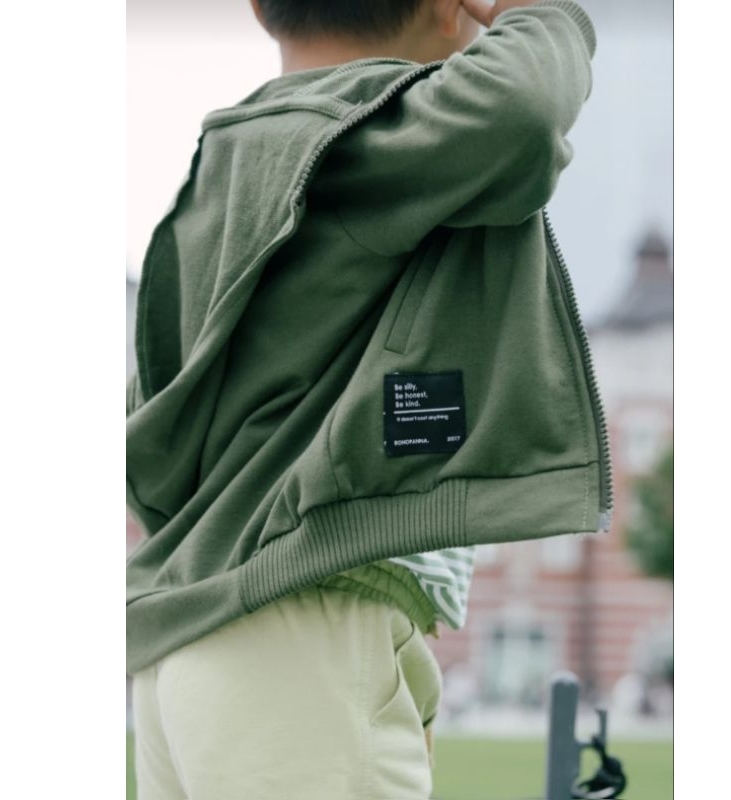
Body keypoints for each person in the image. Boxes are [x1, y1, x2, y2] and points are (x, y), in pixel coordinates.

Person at [126, 0, 610, 797]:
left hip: (195, 633)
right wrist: (531, 11)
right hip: (299, 627)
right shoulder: (370, 136)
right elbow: (524, 108)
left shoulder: (226, 166)